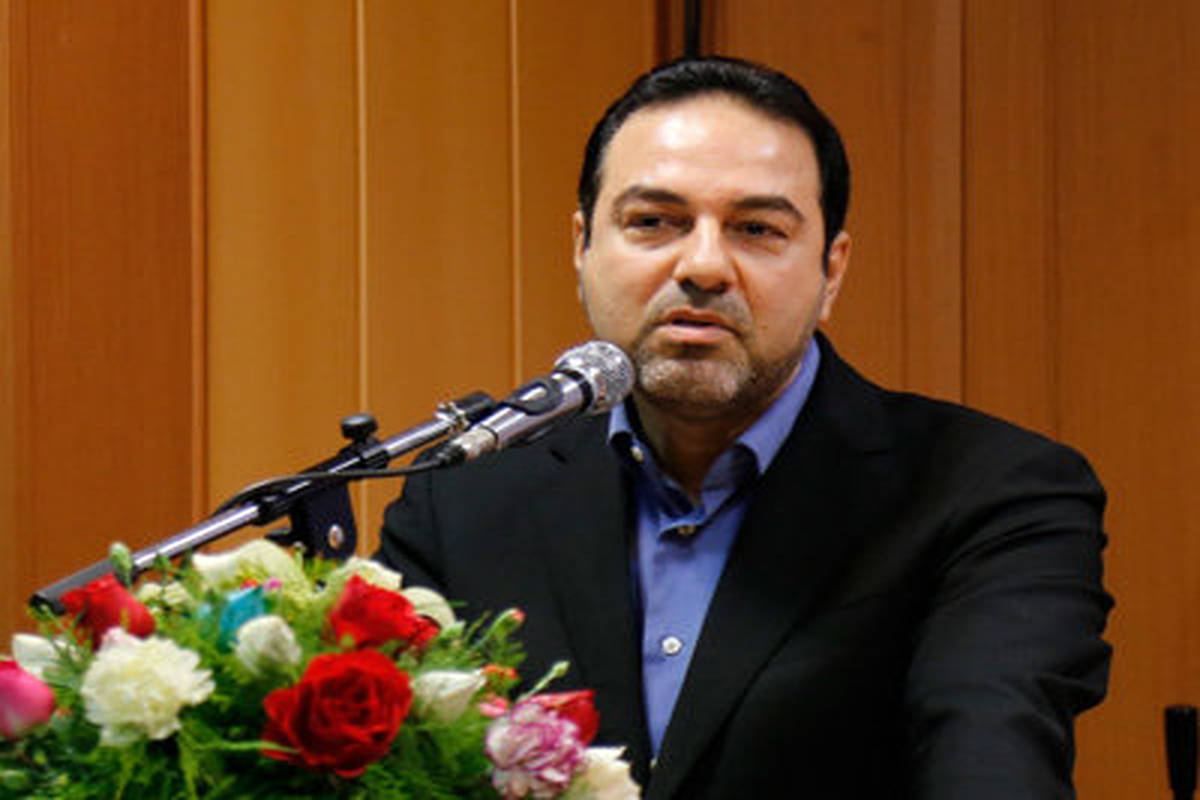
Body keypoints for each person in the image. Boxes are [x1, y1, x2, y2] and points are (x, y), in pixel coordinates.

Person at [377, 56, 1112, 799]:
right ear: (582, 247)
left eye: (757, 229)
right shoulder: (462, 502)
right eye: (653, 222)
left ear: (832, 271)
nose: (703, 266)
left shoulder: (992, 496)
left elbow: (990, 762)